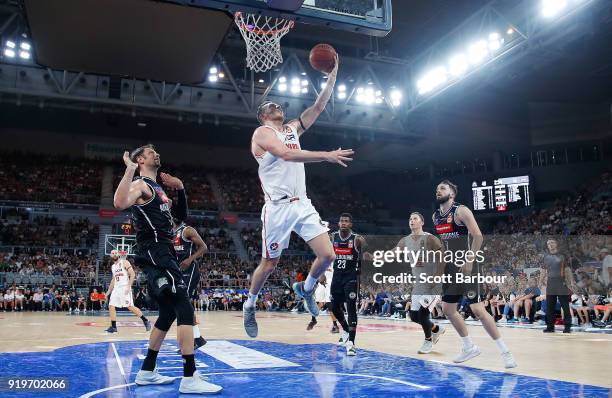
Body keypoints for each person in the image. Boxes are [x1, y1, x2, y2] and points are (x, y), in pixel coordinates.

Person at [244, 53, 355, 338]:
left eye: (278, 104)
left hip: (302, 203)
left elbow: (319, 105)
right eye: (272, 105)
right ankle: (250, 304)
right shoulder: (262, 133)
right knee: (269, 264)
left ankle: (305, 290)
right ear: (263, 115)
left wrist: (333, 74)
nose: (277, 105)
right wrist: (325, 155)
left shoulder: (292, 128)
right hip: (277, 208)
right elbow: (285, 155)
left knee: (328, 255)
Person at [114, 144, 221, 393]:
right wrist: (129, 170)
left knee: (168, 314)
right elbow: (119, 202)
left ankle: (147, 371)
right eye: (151, 152)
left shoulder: (159, 189)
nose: (157, 153)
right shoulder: (140, 184)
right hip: (156, 253)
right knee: (184, 307)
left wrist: (181, 188)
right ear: (140, 160)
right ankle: (190, 377)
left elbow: (181, 216)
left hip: (164, 253)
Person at [433, 180, 516, 368]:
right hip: (451, 268)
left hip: (470, 263)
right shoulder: (436, 216)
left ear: (452, 193)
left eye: (443, 188)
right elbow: (444, 243)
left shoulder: (461, 210)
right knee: (448, 310)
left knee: (478, 309)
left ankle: (506, 352)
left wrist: (469, 260)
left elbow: (478, 236)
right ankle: (469, 347)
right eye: (437, 189)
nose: (439, 191)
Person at [394, 212, 446, 354]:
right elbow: (393, 253)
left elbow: (442, 256)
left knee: (423, 314)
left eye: (415, 218)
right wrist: (375, 257)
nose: (412, 221)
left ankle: (428, 341)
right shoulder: (406, 240)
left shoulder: (430, 238)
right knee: (414, 316)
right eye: (410, 219)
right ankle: (436, 329)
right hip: (419, 284)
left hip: (432, 283)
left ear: (422, 222)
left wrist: (437, 277)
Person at [329, 213, 371, 356]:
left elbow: (368, 253)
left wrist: (367, 257)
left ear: (351, 224)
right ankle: (346, 331)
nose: (344, 223)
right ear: (338, 224)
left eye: (347, 221)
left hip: (351, 277)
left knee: (351, 307)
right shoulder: (332, 237)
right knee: (333, 307)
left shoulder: (357, 239)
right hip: (336, 277)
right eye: (342, 221)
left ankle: (351, 343)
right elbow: (324, 254)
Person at [173, 218, 208, 349]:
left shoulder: (187, 230)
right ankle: (198, 338)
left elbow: (204, 247)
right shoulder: (169, 232)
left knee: (182, 303)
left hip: (190, 270)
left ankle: (190, 341)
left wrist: (190, 259)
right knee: (183, 304)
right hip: (177, 271)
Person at [104, 250, 151, 333]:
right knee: (111, 306)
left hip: (124, 287)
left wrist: (129, 286)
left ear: (118, 254)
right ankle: (114, 327)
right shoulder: (113, 267)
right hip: (116, 289)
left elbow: (132, 274)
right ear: (111, 256)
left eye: (115, 253)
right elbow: (113, 280)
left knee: (130, 307)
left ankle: (146, 321)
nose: (114, 254)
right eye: (112, 253)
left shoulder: (125, 262)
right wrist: (108, 292)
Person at [539, 238, 575, 333]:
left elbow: (567, 270)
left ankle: (567, 327)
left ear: (556, 244)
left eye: (552, 242)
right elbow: (543, 270)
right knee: (550, 306)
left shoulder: (563, 256)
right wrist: (540, 280)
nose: (550, 244)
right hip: (550, 283)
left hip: (561, 282)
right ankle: (550, 327)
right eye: (548, 243)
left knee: (565, 305)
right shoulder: (545, 257)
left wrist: (571, 282)